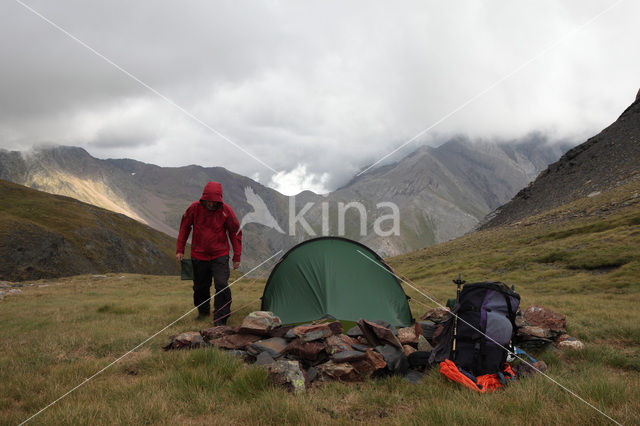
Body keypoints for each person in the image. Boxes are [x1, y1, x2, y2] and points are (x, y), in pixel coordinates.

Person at [176, 181, 242, 324]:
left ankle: (220, 318)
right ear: (204, 198)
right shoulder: (194, 209)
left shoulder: (226, 211)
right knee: (200, 287)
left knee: (221, 284)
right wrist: (180, 249)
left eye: (214, 201)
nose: (211, 204)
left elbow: (235, 232)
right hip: (198, 255)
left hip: (220, 255)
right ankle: (203, 312)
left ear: (219, 199)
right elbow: (184, 228)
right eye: (208, 201)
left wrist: (237, 256)